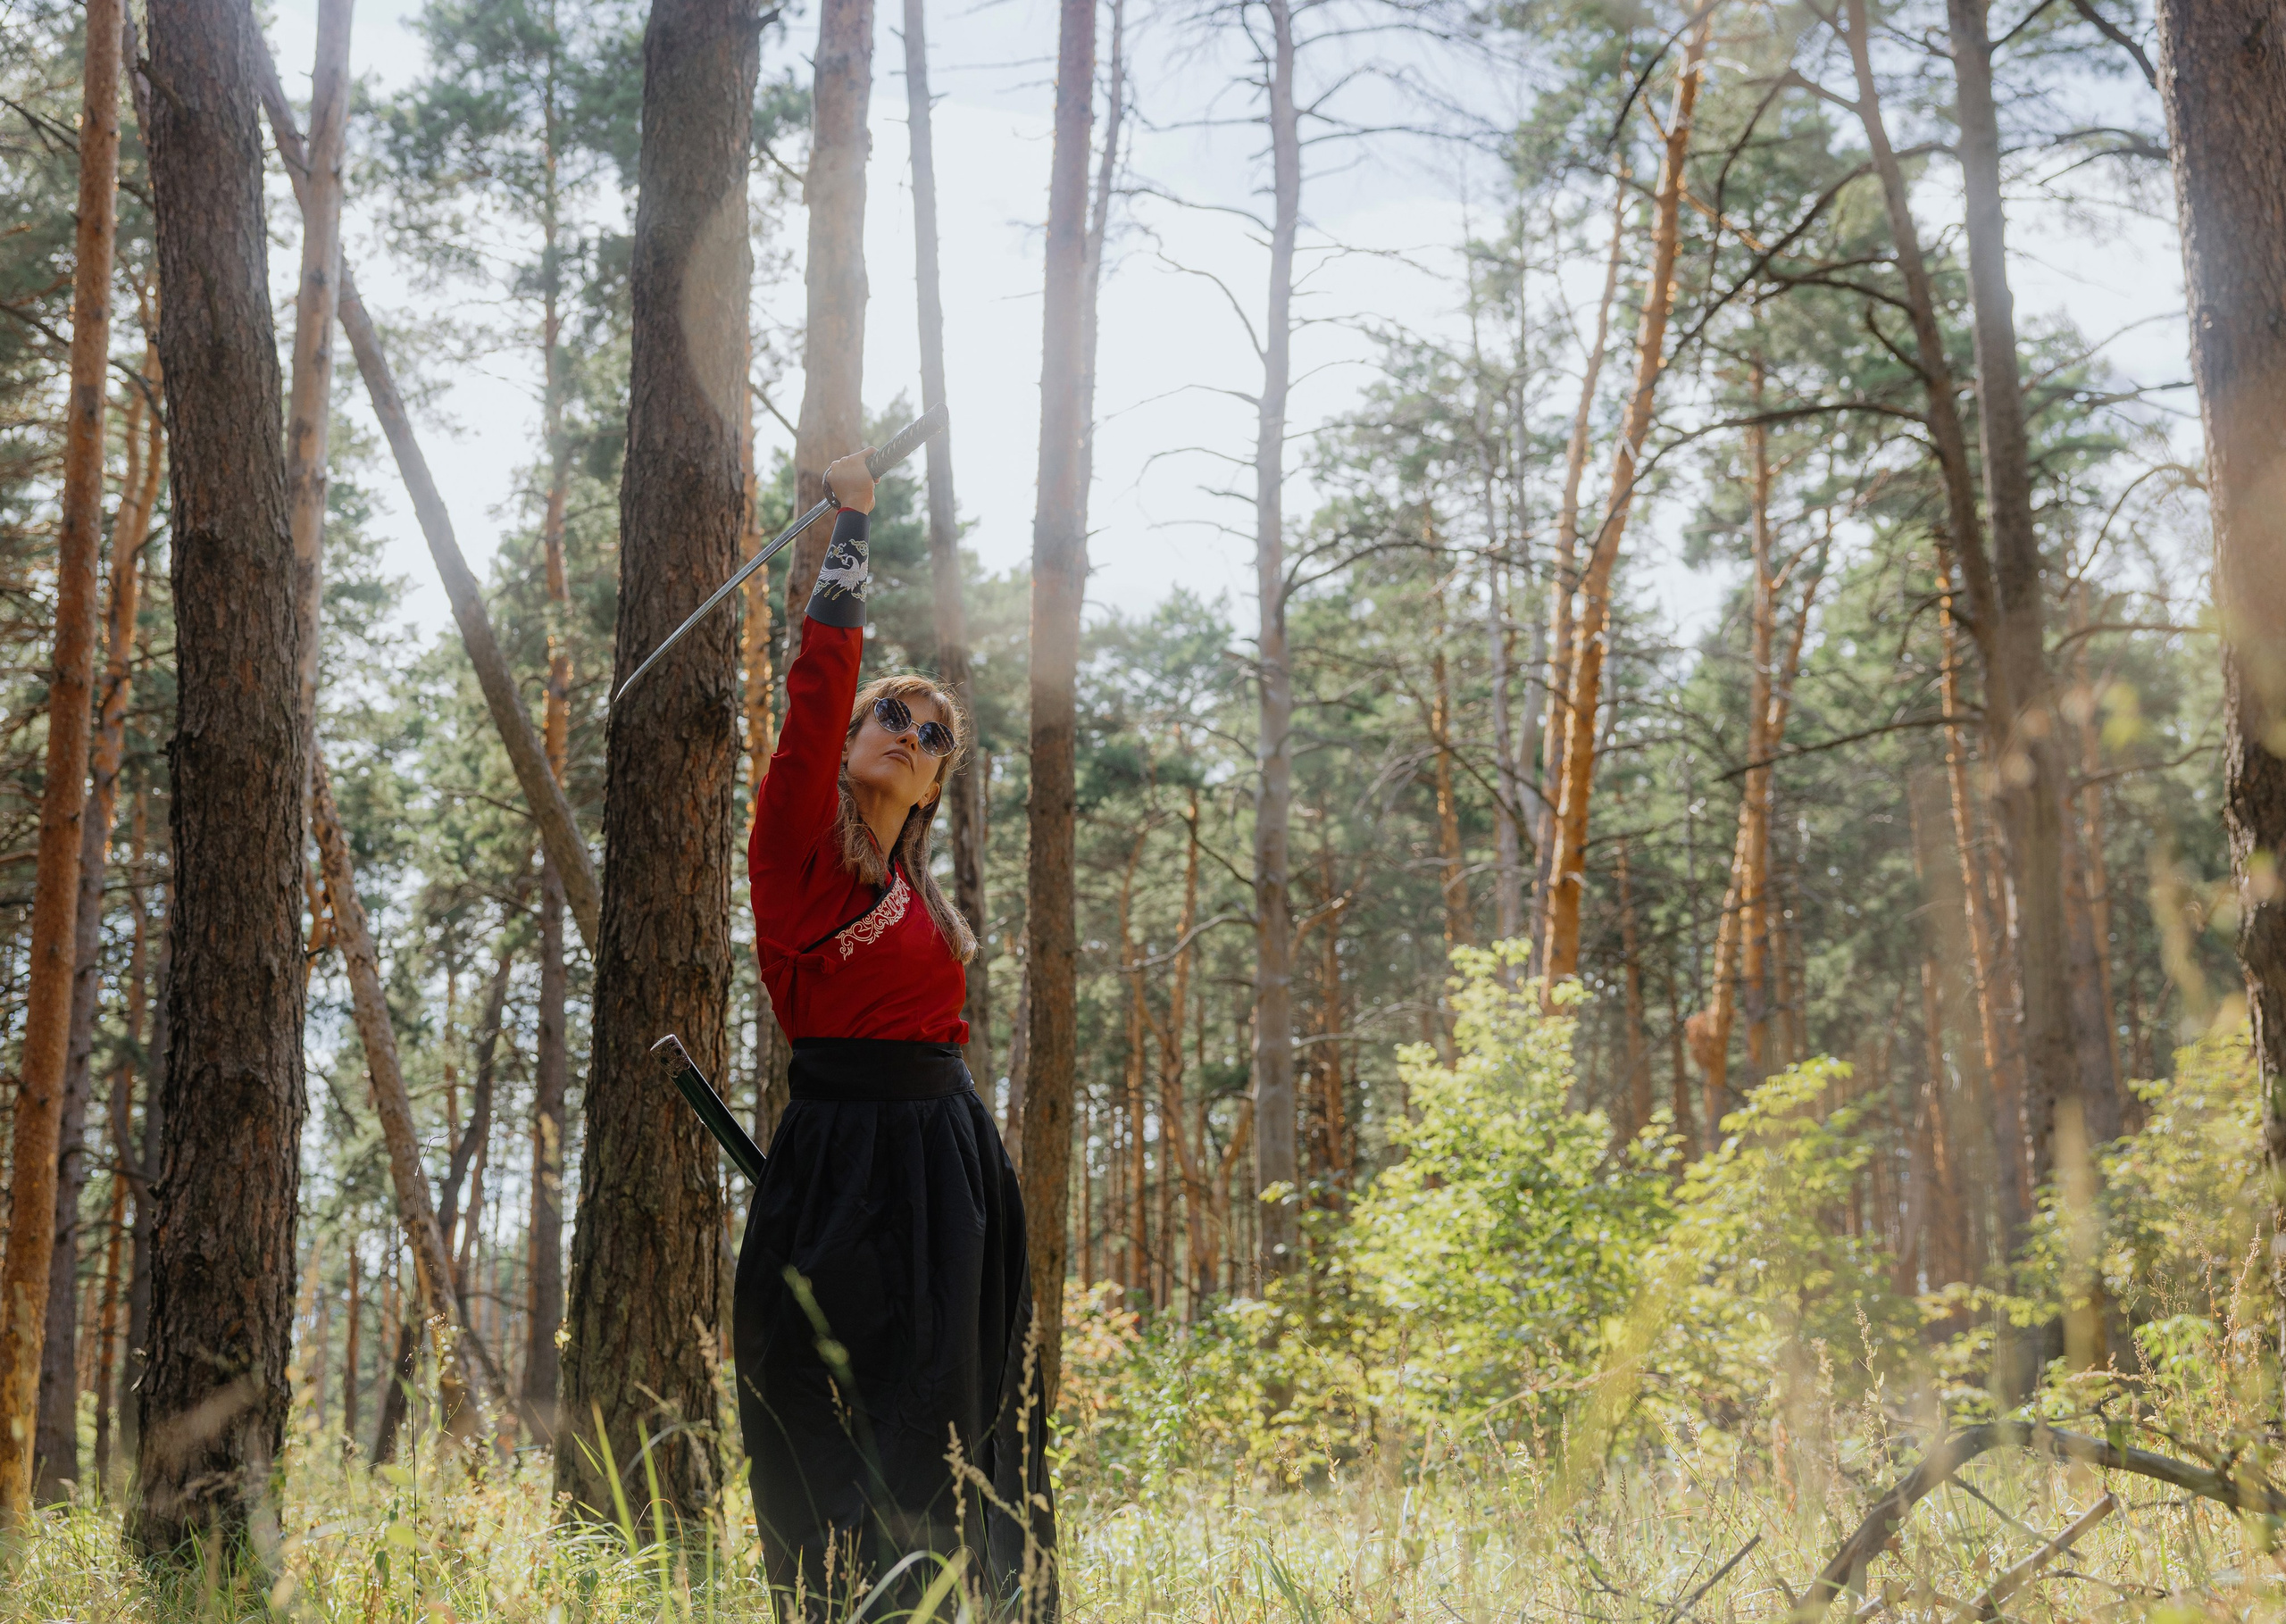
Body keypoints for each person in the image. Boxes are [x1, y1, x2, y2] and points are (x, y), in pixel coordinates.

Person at [734, 447, 1055, 1621]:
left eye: (933, 736)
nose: (911, 733)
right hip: (839, 1166)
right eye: (893, 715)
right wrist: (854, 526)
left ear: (932, 789)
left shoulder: (921, 900)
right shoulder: (797, 852)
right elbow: (818, 686)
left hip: (951, 1172)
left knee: (960, 1424)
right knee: (824, 1420)